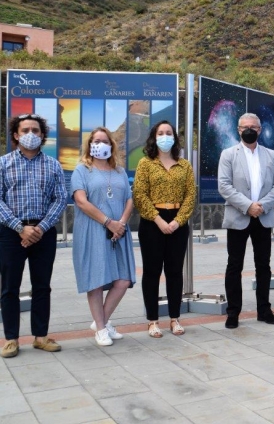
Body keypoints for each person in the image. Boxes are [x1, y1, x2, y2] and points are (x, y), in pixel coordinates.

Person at [0, 114, 67, 358]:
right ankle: (11, 339)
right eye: (25, 129)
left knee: (42, 286)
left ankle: (40, 336)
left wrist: (41, 228)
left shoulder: (53, 165)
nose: (31, 133)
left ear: (42, 135)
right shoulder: (3, 163)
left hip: (43, 232)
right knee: (9, 288)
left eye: (36, 130)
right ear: (16, 135)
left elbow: (60, 198)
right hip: (10, 233)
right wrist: (20, 227)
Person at [218, 112, 274, 328]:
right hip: (239, 216)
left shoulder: (271, 155)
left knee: (263, 265)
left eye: (253, 127)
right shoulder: (228, 154)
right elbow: (224, 186)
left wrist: (262, 206)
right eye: (245, 127)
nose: (249, 130)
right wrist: (248, 206)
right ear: (238, 130)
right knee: (234, 265)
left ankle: (264, 310)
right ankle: (233, 312)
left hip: (263, 217)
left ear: (260, 130)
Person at [71, 127, 136, 346]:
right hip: (93, 230)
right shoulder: (82, 170)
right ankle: (100, 328)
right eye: (95, 141)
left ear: (111, 144)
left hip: (119, 232)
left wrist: (121, 224)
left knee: (123, 279)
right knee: (96, 280)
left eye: (104, 140)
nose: (99, 144)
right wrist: (108, 222)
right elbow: (81, 201)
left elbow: (129, 199)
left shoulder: (118, 171)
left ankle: (102, 320)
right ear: (89, 145)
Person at [133, 121, 196, 337]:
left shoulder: (184, 165)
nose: (165, 136)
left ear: (175, 138)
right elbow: (140, 194)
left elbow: (190, 195)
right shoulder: (145, 164)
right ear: (154, 137)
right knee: (151, 272)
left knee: (175, 272)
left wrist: (178, 220)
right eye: (161, 133)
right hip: (153, 222)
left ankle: (174, 318)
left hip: (178, 222)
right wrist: (158, 220)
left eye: (169, 133)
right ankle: (152, 321)